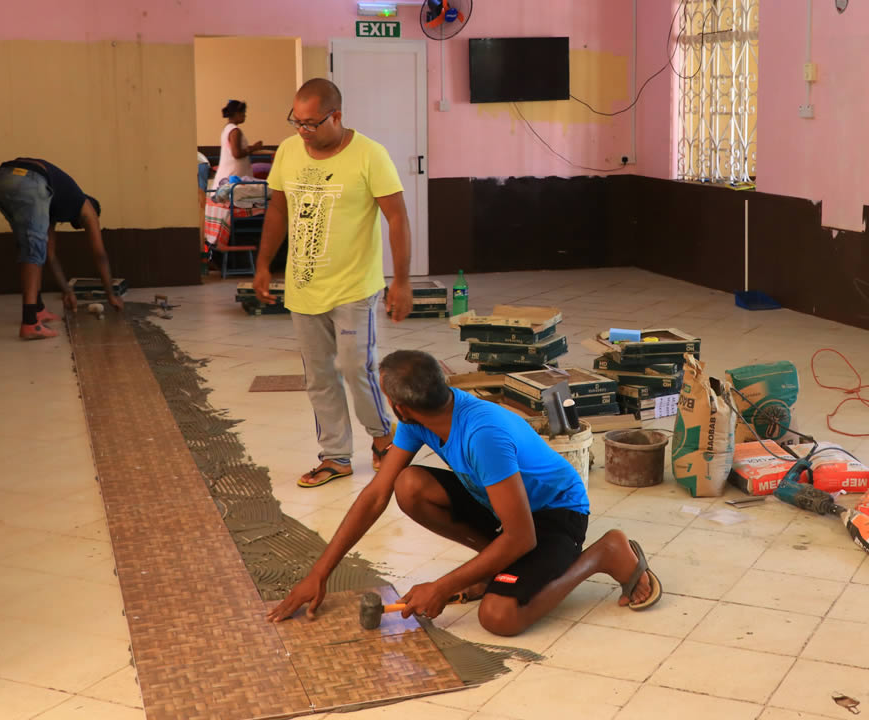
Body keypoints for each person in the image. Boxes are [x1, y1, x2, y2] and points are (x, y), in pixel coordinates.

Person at [266, 350, 663, 636]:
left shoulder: (482, 434)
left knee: (499, 617)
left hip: (554, 515)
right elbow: (376, 494)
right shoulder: (419, 420)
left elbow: (522, 536)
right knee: (409, 485)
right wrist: (319, 574)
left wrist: (442, 586)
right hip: (502, 505)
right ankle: (494, 566)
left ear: (399, 407)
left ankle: (603, 554)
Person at [253, 78, 414, 487]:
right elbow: (277, 210)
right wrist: (263, 265)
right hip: (304, 288)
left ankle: (382, 438)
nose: (302, 130)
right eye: (297, 122)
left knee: (355, 367)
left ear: (336, 116)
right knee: (319, 376)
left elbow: (397, 217)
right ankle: (336, 456)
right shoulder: (289, 152)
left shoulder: (369, 155)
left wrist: (402, 280)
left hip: (354, 287)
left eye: (311, 123)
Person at [0, 158, 122, 340]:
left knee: (31, 246)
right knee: (33, 249)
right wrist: (111, 294)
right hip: (30, 179)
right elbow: (100, 254)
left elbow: (50, 254)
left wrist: (67, 291)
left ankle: (38, 309)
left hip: (3, 178)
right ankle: (30, 323)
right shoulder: (87, 206)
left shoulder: (54, 199)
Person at [213, 100, 263, 187]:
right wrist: (254, 148)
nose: (245, 115)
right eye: (243, 112)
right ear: (236, 113)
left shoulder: (227, 129)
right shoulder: (235, 131)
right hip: (233, 175)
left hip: (231, 174)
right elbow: (236, 153)